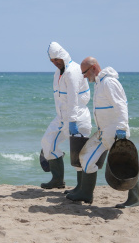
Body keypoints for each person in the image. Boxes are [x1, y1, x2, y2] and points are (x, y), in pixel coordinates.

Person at [66, 56, 139, 207]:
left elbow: (121, 106)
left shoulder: (109, 82)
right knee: (85, 158)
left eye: (85, 72)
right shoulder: (99, 83)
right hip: (103, 132)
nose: (84, 76)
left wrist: (121, 129)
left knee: (127, 165)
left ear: (93, 68)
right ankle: (86, 193)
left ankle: (134, 199)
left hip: (115, 132)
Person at [40, 42, 92, 190]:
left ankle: (81, 188)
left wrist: (73, 121)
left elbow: (74, 99)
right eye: (52, 61)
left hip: (77, 117)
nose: (55, 63)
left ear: (63, 56)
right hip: (61, 117)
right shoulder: (59, 72)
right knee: (48, 142)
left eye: (57, 59)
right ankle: (57, 180)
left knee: (79, 155)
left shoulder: (72, 71)